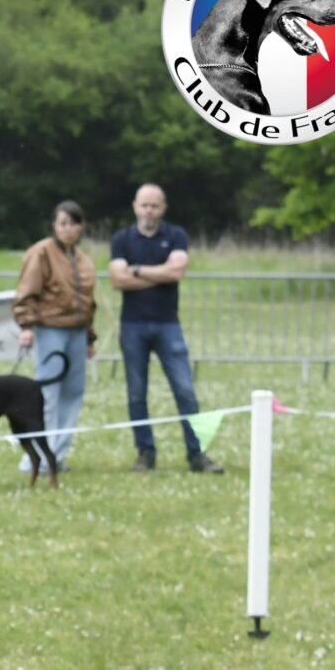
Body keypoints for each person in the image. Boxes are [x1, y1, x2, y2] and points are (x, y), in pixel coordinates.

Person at [109, 183, 221, 474]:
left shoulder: (176, 235)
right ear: (135, 207)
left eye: (154, 205)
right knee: (136, 394)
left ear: (163, 208)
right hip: (132, 325)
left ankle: (197, 453)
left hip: (168, 324)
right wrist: (159, 274)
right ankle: (145, 452)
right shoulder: (122, 239)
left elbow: (176, 272)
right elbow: (117, 279)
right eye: (144, 205)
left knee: (185, 391)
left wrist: (136, 270)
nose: (149, 210)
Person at [12, 200, 96, 472]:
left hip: (77, 332)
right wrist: (26, 325)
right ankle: (35, 457)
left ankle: (57, 455)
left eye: (73, 223)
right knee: (47, 394)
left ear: (81, 227)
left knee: (73, 393)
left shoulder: (83, 261)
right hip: (50, 329)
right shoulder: (41, 253)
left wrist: (90, 337)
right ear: (54, 226)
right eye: (63, 223)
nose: (68, 229)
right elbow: (27, 291)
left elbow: (88, 302)